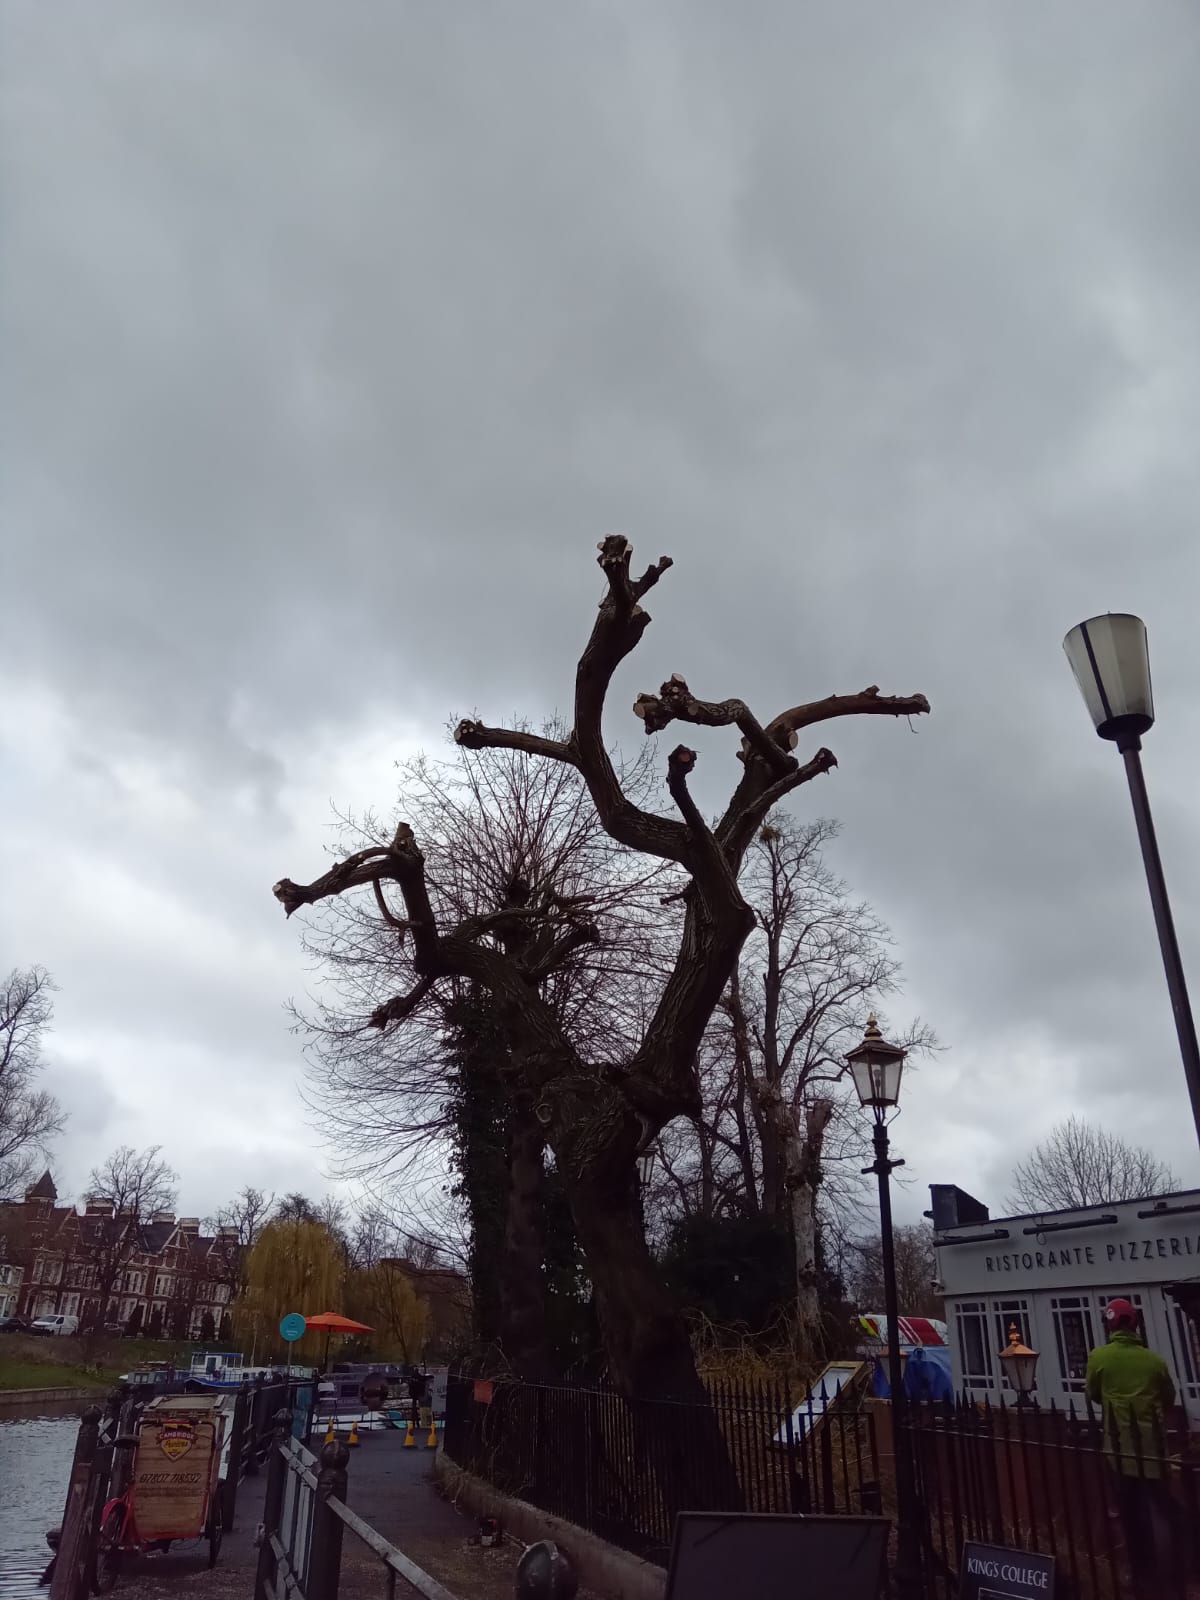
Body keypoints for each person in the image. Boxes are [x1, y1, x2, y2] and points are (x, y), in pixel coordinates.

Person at [1085, 1297, 1177, 1594]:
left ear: (1110, 1324)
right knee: (1161, 1507)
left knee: (1129, 1511)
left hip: (1118, 1448)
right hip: (1154, 1449)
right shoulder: (1154, 1361)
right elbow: (1168, 1397)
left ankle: (1140, 1575)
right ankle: (1172, 1572)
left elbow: (1093, 1394)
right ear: (1135, 1324)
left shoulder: (1099, 1357)